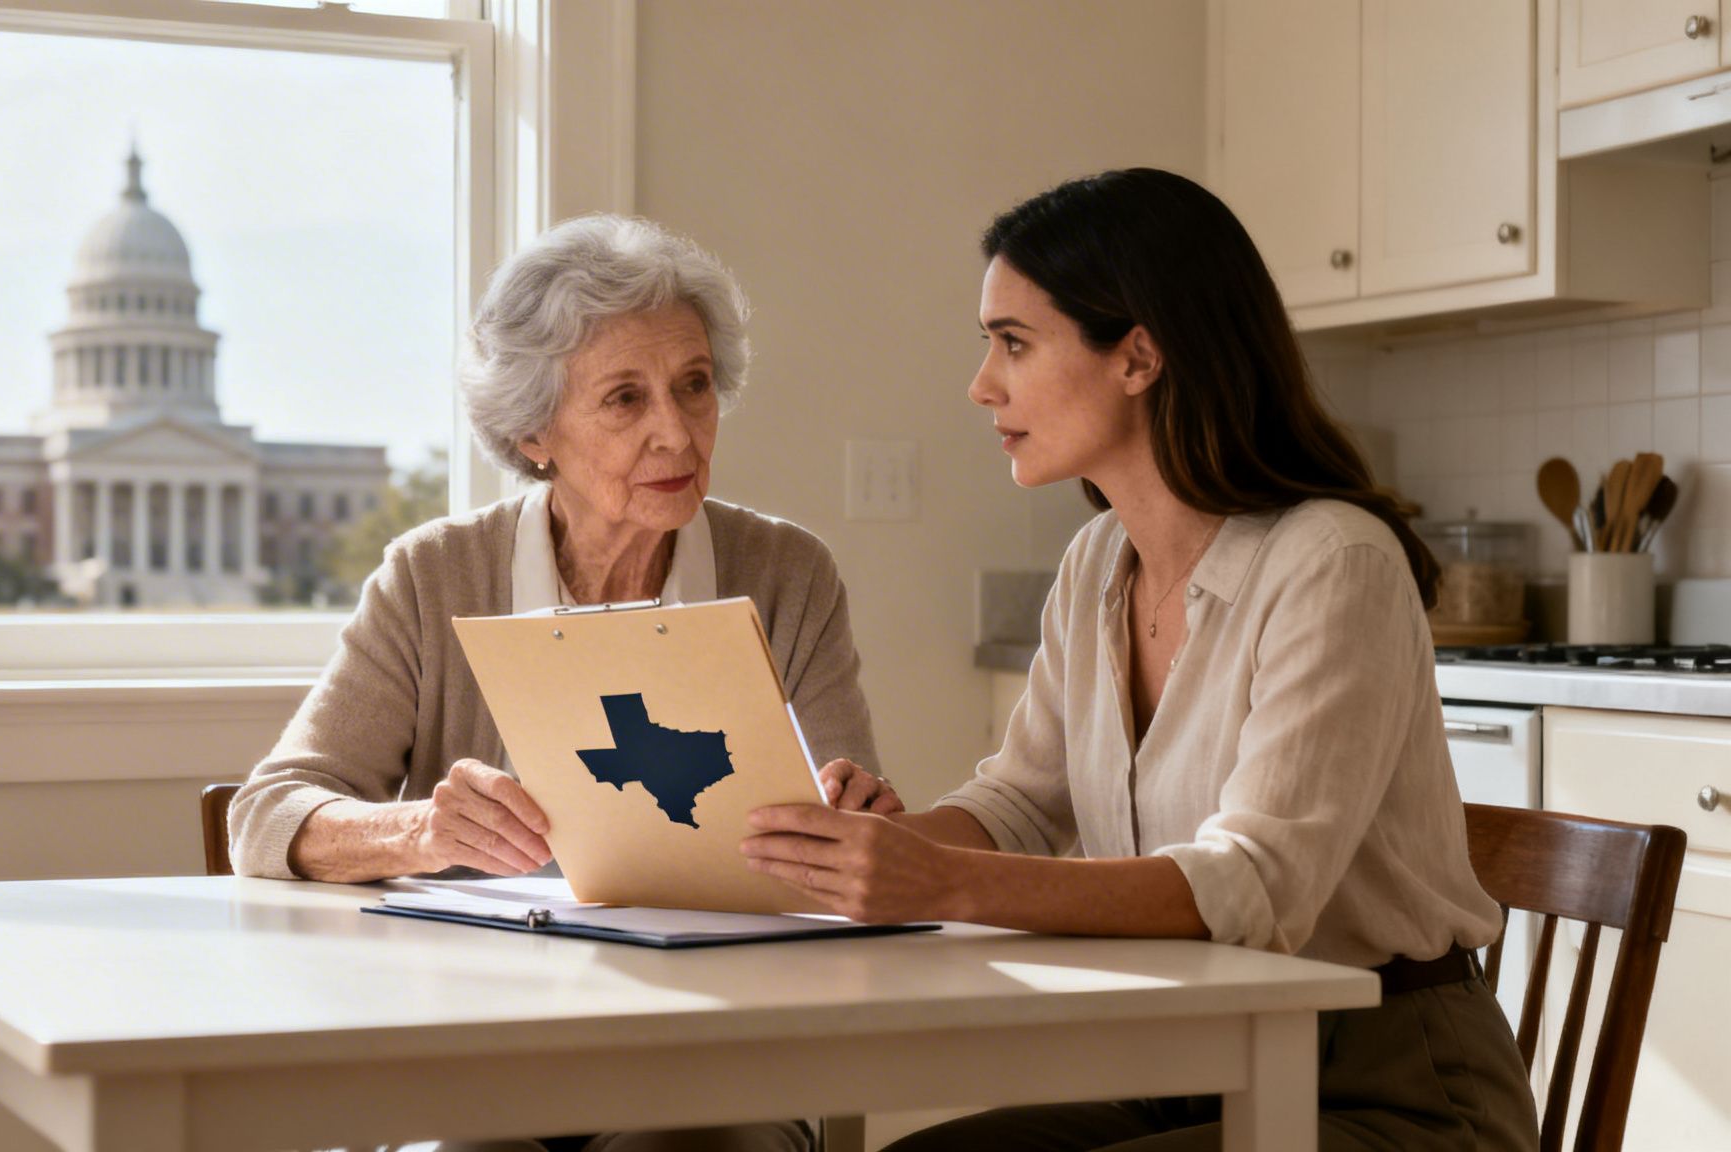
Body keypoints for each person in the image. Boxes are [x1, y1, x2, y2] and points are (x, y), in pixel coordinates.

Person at [741, 169, 1540, 1152]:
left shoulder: (1331, 562)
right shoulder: (1095, 565)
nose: (980, 383)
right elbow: (1020, 807)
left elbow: (1258, 887)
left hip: (1392, 1092)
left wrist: (935, 885)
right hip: (1193, 1067)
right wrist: (870, 846)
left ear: (1137, 356)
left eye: (1012, 343)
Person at [230, 213, 878, 1152]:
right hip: (473, 1040)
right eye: (624, 399)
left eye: (694, 386)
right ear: (535, 431)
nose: (677, 432)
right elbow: (266, 814)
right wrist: (420, 828)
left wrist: (854, 822)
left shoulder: (786, 572)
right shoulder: (433, 575)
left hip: (718, 1041)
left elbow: (857, 837)